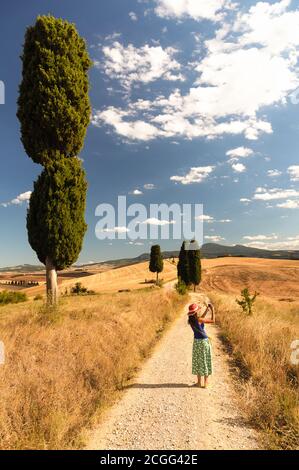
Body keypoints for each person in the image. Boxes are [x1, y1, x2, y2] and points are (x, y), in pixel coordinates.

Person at [188, 302, 215, 388]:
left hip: (196, 342)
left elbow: (201, 318)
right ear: (196, 313)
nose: (199, 311)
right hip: (203, 342)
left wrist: (207, 310)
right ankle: (206, 383)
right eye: (198, 310)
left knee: (198, 361)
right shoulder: (199, 320)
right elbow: (213, 321)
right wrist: (213, 310)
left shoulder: (191, 321)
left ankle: (199, 382)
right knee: (205, 360)